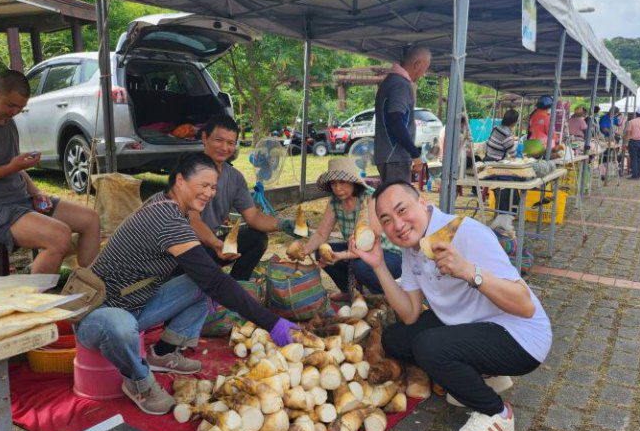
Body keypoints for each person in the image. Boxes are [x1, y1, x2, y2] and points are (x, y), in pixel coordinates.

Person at [77, 153, 298, 414]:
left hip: (137, 306)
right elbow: (213, 281)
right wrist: (272, 323)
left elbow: (205, 274)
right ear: (180, 181)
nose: (210, 193)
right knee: (121, 325)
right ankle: (139, 383)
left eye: (213, 187)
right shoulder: (166, 218)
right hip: (97, 317)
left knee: (201, 284)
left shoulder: (170, 206)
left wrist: (217, 257)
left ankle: (163, 352)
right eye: (203, 185)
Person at [350, 180, 551, 431]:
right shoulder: (413, 248)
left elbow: (525, 306)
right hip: (474, 325)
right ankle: (485, 373)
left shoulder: (466, 233)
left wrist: (469, 272)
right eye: (387, 220)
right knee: (397, 338)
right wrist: (378, 266)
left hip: (521, 336)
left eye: (402, 210)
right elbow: (409, 315)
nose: (397, 225)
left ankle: (496, 412)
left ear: (422, 201)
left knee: (428, 346)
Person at [0, 70, 100, 273]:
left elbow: (14, 168)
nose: (15, 112)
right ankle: (31, 300)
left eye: (20, 108)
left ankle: (89, 283)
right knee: (59, 236)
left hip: (20, 201)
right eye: (11, 105)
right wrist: (11, 167)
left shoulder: (7, 121)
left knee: (90, 219)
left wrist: (36, 192)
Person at [189, 115, 295, 281]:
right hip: (183, 250)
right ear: (204, 138)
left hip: (211, 246)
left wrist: (282, 224)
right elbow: (192, 221)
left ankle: (237, 285)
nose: (225, 148)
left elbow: (253, 217)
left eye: (231, 143)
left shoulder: (235, 178)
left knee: (257, 238)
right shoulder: (188, 170)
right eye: (219, 140)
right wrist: (217, 245)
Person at [290, 157, 402, 297]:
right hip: (357, 250)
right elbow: (321, 234)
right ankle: (349, 292)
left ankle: (385, 295)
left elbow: (371, 243)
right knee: (322, 252)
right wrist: (305, 250)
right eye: (333, 183)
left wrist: (342, 255)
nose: (337, 188)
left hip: (388, 254)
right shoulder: (335, 202)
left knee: (359, 266)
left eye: (342, 182)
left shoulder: (370, 197)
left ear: (353, 182)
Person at [374, 45, 431, 183]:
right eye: (425, 68)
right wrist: (414, 154)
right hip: (395, 157)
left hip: (390, 157)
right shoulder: (400, 84)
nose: (424, 74)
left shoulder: (391, 81)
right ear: (417, 64)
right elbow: (395, 121)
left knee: (393, 200)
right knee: (397, 202)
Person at [485, 109, 519, 212]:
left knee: (508, 180)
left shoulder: (496, 128)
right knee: (512, 180)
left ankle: (510, 210)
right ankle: (508, 210)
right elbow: (513, 155)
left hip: (486, 161)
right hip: (494, 166)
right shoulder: (507, 135)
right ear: (514, 122)